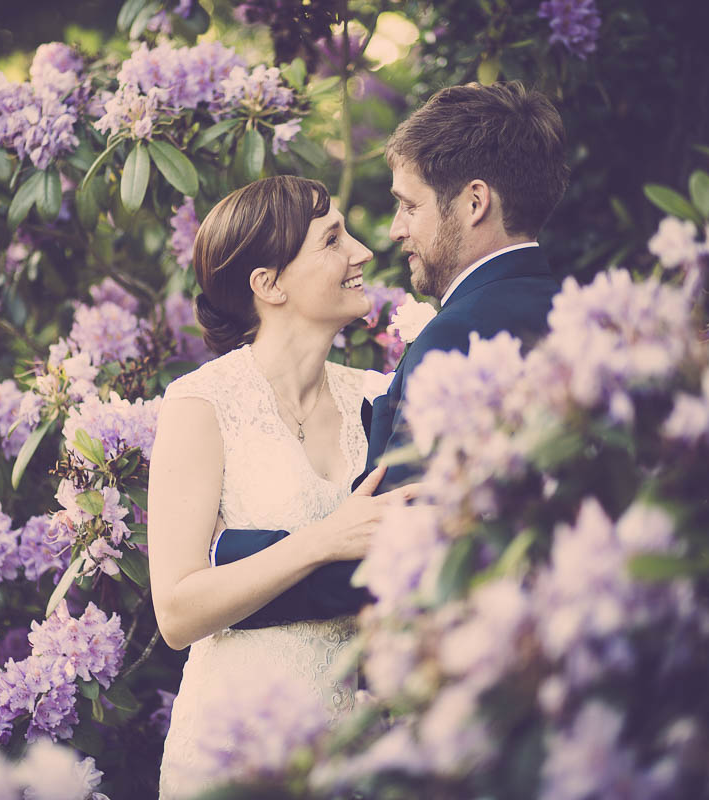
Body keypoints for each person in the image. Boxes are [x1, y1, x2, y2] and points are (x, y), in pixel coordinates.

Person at [214, 80, 569, 626]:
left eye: (409, 205)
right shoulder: (573, 314)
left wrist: (221, 561)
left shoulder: (459, 336)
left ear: (475, 203)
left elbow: (400, 551)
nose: (394, 230)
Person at [147, 175, 417, 798]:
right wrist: (325, 540)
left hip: (351, 754)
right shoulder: (200, 404)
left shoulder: (378, 398)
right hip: (231, 753)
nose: (362, 253)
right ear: (269, 285)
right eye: (332, 240)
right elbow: (178, 611)